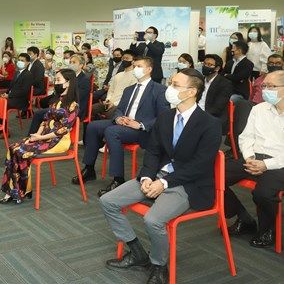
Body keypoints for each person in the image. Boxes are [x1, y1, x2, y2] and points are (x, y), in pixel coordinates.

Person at [100, 69, 220, 284]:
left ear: (192, 91)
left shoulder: (209, 123)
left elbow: (200, 165)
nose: (169, 88)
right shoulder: (166, 117)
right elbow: (153, 151)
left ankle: (159, 265)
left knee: (153, 220)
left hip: (187, 183)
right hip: (156, 176)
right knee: (108, 201)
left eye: (175, 85)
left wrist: (164, 183)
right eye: (170, 83)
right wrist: (147, 177)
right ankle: (137, 253)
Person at [73, 56, 168, 196]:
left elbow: (163, 117)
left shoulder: (160, 90)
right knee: (93, 126)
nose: (135, 69)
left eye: (139, 66)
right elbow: (119, 109)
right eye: (134, 66)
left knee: (112, 132)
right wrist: (118, 118)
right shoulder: (129, 89)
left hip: (142, 130)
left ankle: (118, 178)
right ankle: (89, 168)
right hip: (124, 124)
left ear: (149, 69)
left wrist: (140, 124)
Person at [0, 69, 79, 204]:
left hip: (58, 141)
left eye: (58, 80)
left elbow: (62, 130)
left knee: (22, 152)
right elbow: (45, 120)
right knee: (13, 148)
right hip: (45, 137)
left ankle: (20, 191)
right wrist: (38, 134)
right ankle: (12, 190)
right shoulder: (56, 101)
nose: (56, 83)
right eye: (56, 80)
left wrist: (40, 138)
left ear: (68, 83)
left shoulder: (73, 106)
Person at [224, 70, 284, 248]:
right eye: (264, 86)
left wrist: (266, 165)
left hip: (279, 163)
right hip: (253, 158)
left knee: (263, 194)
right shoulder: (259, 109)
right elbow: (246, 137)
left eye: (271, 86)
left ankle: (268, 229)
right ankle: (244, 218)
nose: (266, 90)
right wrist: (249, 157)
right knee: (211, 176)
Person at [91, 50, 136, 120]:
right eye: (123, 58)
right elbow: (111, 90)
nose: (124, 60)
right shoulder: (118, 75)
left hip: (119, 105)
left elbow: (128, 96)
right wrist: (108, 100)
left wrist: (114, 104)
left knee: (109, 114)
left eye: (127, 58)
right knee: (92, 108)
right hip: (110, 102)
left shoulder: (135, 77)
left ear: (133, 61)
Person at [198, 54, 234, 134]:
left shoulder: (225, 84)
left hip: (212, 117)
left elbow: (217, 108)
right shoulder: (199, 81)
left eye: (209, 65)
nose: (205, 66)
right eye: (204, 64)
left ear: (217, 68)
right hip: (197, 113)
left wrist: (199, 115)